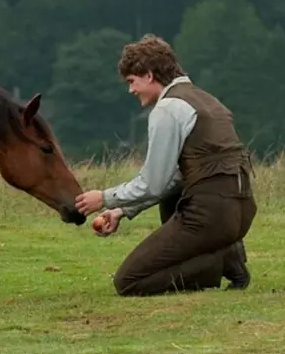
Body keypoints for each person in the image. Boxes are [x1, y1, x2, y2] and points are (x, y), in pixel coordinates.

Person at [74, 34, 256, 297]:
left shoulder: (168, 109)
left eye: (132, 81)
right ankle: (225, 251)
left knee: (129, 281)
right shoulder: (206, 100)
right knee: (170, 200)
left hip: (210, 216)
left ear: (149, 75)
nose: (131, 90)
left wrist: (104, 198)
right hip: (240, 212)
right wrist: (122, 211)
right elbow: (175, 178)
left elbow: (153, 183)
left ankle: (222, 260)